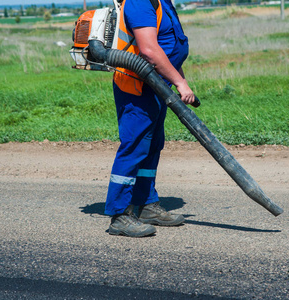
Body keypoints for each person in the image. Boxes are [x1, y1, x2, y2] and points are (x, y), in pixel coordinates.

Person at [105, 0, 195, 237]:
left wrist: (177, 77)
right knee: (134, 148)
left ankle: (145, 204)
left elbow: (169, 46)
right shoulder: (139, 2)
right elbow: (149, 49)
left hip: (156, 85)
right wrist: (180, 83)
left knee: (152, 146)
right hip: (137, 88)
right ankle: (120, 214)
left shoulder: (162, 2)